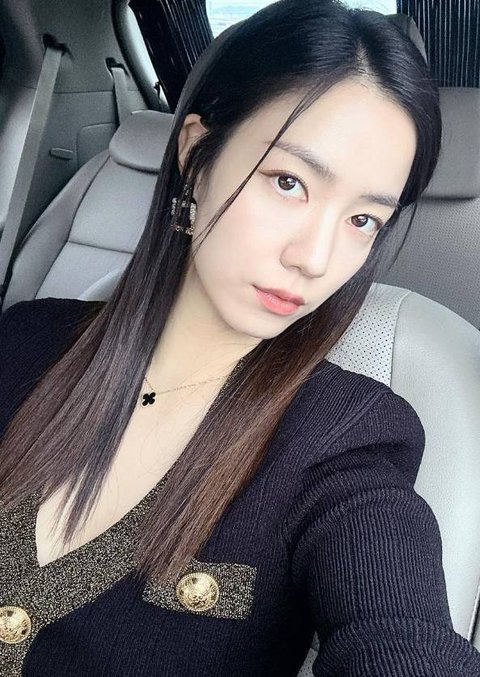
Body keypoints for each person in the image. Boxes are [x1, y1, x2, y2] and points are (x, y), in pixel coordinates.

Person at [0, 0, 479, 674]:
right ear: (196, 155)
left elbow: (400, 634)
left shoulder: (347, 440)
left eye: (363, 220)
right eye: (289, 182)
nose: (315, 258)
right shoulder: (23, 341)